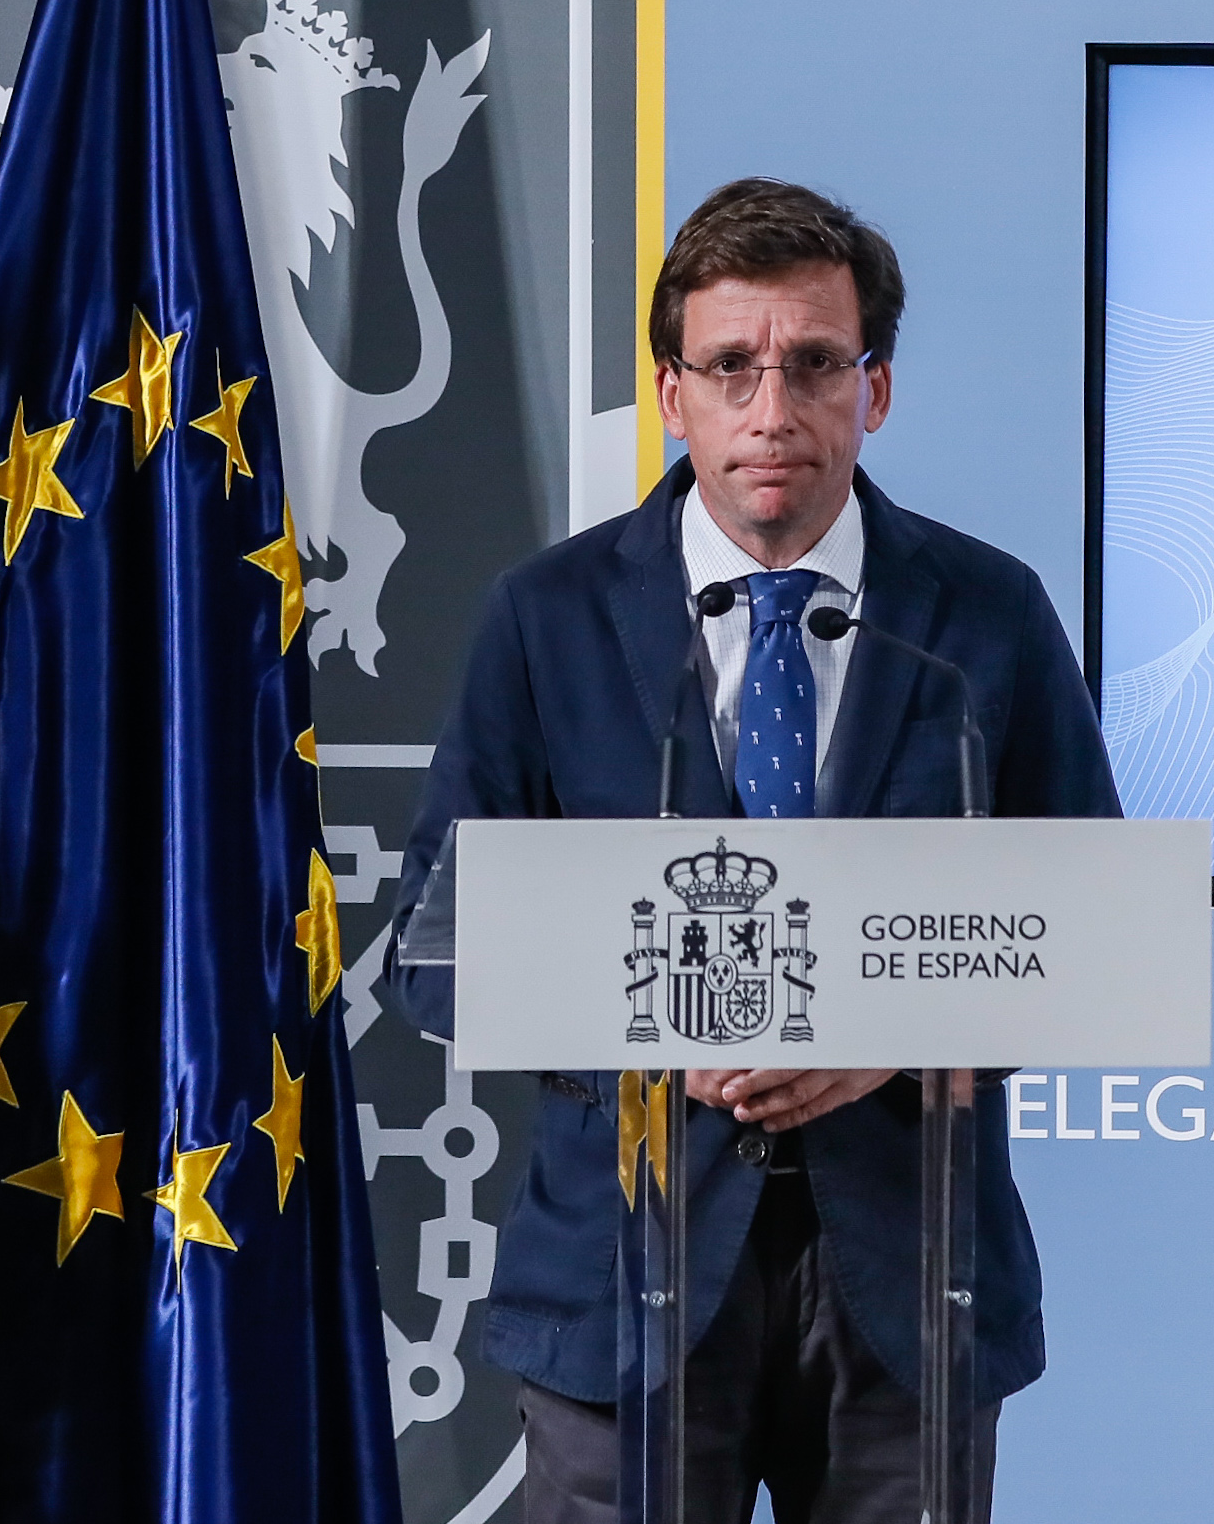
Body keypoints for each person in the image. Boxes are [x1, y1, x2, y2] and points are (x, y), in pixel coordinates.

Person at [389, 178, 1121, 1524]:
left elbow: (1094, 933)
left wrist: (895, 1031)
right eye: (731, 367)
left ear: (873, 390)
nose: (771, 410)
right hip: (625, 1278)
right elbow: (436, 948)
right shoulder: (549, 616)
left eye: (814, 365)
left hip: (908, 1280)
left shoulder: (985, 617)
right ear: (674, 396)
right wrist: (656, 1031)